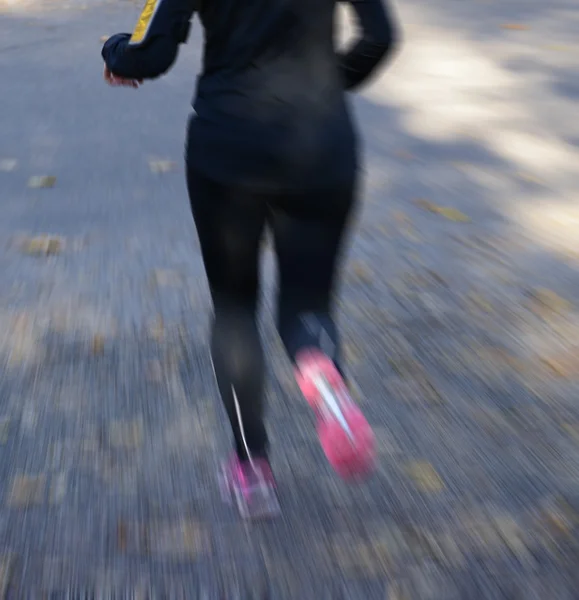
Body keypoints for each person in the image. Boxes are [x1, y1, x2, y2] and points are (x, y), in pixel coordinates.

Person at [102, 0, 399, 519]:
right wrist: (328, 86)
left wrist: (114, 53)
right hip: (322, 144)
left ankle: (252, 472)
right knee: (309, 305)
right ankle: (321, 372)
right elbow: (380, 36)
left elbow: (149, 55)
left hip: (229, 149)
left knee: (235, 308)